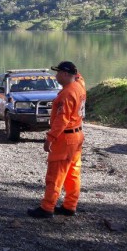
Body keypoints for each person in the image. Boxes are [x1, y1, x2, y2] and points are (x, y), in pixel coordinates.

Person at [28, 61, 86, 218]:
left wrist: (50, 138)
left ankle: (47, 208)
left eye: (59, 72)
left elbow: (62, 119)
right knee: (73, 173)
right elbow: (79, 76)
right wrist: (74, 71)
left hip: (65, 138)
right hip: (77, 136)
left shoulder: (67, 94)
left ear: (66, 75)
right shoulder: (79, 85)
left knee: (55, 174)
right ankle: (69, 206)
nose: (56, 75)